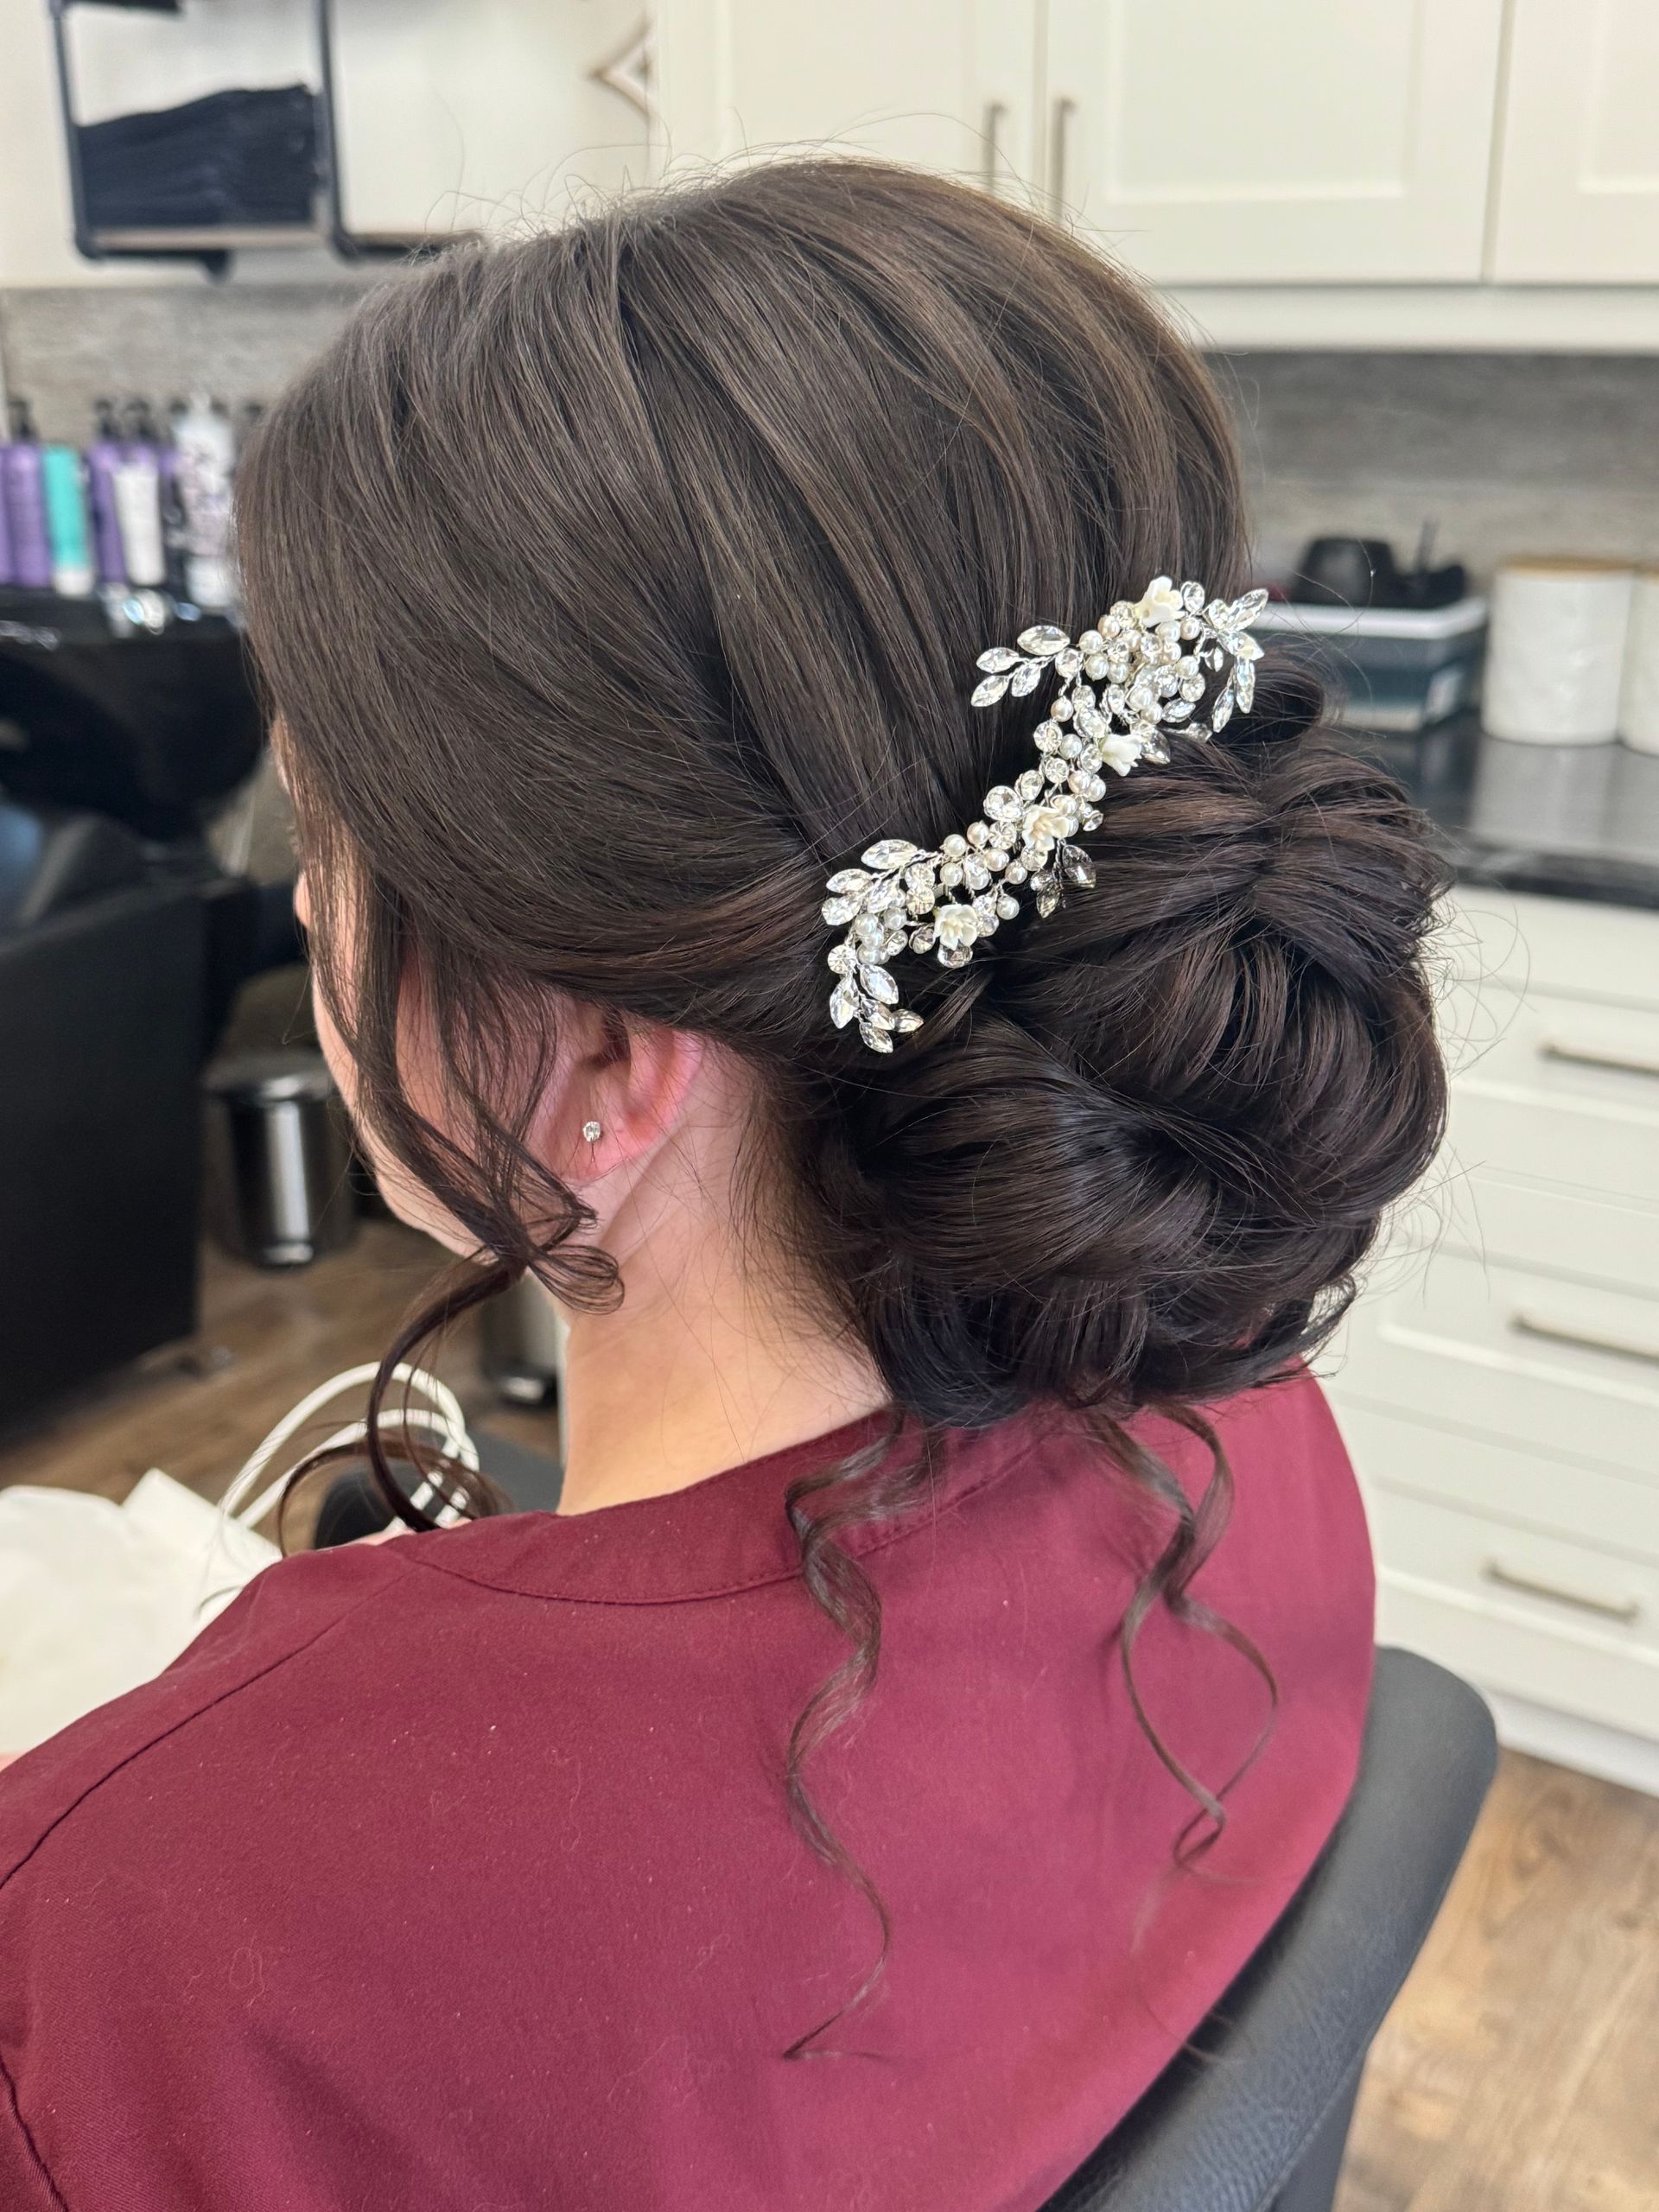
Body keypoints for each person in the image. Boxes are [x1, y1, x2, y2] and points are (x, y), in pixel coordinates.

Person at [0, 160, 1446, 2210]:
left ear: (602, 1057)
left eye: (322, 836)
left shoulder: (152, 1941)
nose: (306, 910)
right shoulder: (1253, 1419)